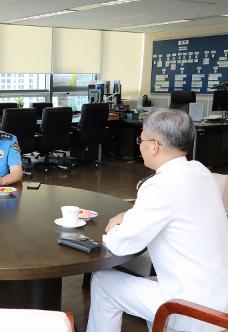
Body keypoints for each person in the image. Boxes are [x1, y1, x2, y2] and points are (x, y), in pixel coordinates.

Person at [87, 108, 228, 332]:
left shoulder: (160, 186)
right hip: (219, 299)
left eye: (140, 139)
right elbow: (175, 210)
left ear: (155, 146)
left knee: (104, 283)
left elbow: (122, 245)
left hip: (194, 311)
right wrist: (131, 215)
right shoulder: (200, 172)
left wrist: (114, 228)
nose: (139, 146)